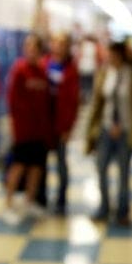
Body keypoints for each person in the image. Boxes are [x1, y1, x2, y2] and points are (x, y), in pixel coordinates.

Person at [86, 41, 132, 226]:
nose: (110, 58)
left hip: (126, 131)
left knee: (124, 172)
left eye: (113, 55)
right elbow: (97, 103)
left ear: (121, 56)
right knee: (101, 168)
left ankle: (123, 211)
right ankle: (103, 208)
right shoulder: (104, 74)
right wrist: (94, 128)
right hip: (105, 129)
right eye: (109, 55)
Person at [4, 34, 52, 225]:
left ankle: (29, 202)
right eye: (28, 47)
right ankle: (8, 204)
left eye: (35, 48)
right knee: (19, 166)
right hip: (23, 129)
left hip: (39, 130)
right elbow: (12, 102)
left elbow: (46, 101)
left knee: (36, 167)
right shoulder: (19, 70)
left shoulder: (42, 71)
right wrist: (14, 128)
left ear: (40, 51)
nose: (31, 51)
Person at [43, 32, 80, 215]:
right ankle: (39, 197)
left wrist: (68, 127)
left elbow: (73, 102)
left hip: (60, 125)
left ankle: (61, 199)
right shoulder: (44, 64)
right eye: (55, 42)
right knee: (39, 163)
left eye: (62, 43)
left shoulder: (71, 70)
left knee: (61, 163)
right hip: (43, 124)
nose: (57, 46)